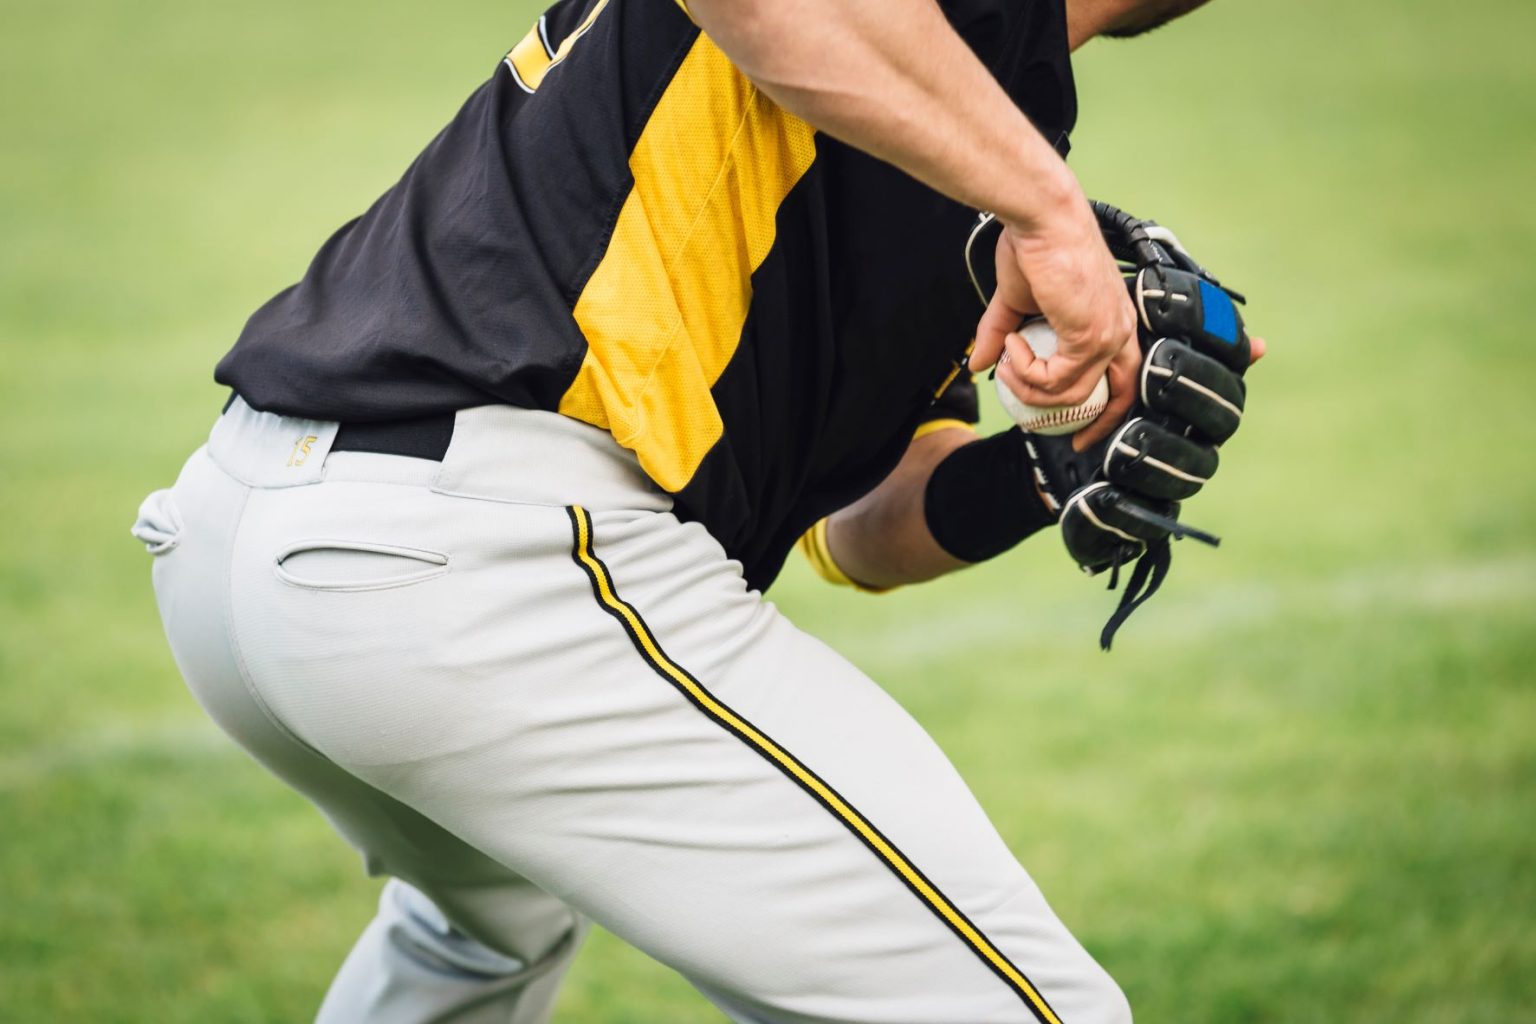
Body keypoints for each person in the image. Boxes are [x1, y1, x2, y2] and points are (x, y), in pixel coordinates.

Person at [132, 0, 1255, 1019]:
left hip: (268, 544)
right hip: (475, 558)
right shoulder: (964, 102)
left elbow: (853, 525)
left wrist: (1041, 474)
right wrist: (1049, 211)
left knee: (483, 936)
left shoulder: (967, 112)